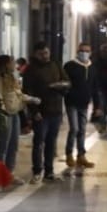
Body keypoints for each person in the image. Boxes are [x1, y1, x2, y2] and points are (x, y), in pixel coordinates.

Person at [21, 41, 69, 183]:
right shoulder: (31, 70)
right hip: (41, 111)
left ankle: (49, 171)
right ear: (36, 54)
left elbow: (66, 81)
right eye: (41, 54)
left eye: (46, 53)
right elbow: (27, 92)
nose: (45, 56)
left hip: (56, 109)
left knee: (51, 142)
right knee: (39, 142)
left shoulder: (56, 65)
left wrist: (60, 86)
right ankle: (37, 171)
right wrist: (34, 111)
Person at [0, 55, 26, 185]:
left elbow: (17, 94)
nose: (15, 64)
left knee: (13, 143)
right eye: (12, 62)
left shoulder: (12, 77)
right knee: (3, 144)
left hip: (14, 112)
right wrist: (2, 110)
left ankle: (9, 173)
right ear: (6, 64)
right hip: (5, 114)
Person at [63, 43, 96, 170]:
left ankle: (81, 156)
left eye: (87, 51)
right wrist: (68, 94)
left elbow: (94, 86)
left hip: (84, 103)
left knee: (82, 130)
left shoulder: (92, 67)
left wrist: (97, 105)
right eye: (82, 51)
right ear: (78, 51)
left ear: (91, 52)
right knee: (74, 129)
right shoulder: (70, 66)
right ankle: (69, 153)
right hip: (72, 102)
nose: (84, 53)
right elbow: (64, 82)